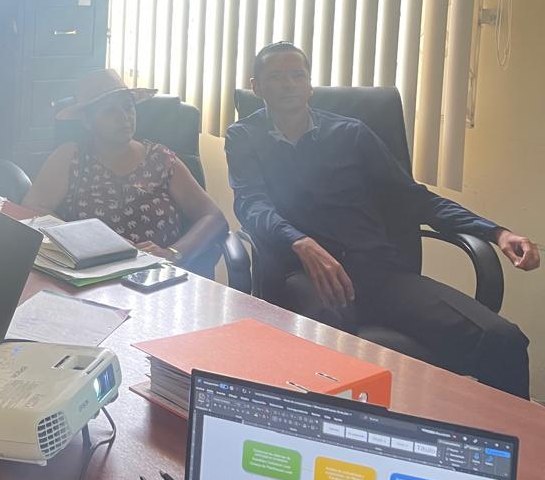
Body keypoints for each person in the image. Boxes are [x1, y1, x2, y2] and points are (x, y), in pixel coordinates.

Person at [227, 40, 538, 397]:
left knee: (503, 339)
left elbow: (413, 199)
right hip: (304, 275)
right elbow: (252, 205)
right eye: (277, 77)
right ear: (257, 87)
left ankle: (503, 434)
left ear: (310, 85)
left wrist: (496, 232)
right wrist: (300, 241)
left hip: (378, 273)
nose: (289, 84)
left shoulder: (350, 134)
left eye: (297, 75)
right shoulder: (244, 137)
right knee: (335, 348)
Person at [23, 68, 227, 277]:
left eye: (128, 107)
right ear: (87, 121)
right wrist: (81, 239)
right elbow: (32, 209)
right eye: (110, 111)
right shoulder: (71, 156)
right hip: (91, 274)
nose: (124, 117)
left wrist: (172, 254)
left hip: (158, 276)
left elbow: (213, 217)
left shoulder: (160, 158)